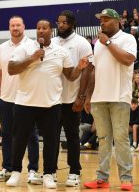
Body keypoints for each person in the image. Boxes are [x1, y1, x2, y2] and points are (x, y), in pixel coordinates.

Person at [5, 19, 88, 188]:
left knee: (51, 141)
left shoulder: (61, 51)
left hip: (51, 105)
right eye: (38, 28)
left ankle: (49, 174)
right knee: (19, 139)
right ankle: (15, 172)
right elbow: (11, 69)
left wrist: (79, 67)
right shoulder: (25, 48)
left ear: (51, 30)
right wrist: (32, 58)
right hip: (25, 103)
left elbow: (70, 76)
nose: (41, 31)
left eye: (44, 28)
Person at [83, 8, 136, 191]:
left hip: (119, 96)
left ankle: (126, 179)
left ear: (117, 21)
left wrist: (108, 43)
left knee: (121, 139)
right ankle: (102, 179)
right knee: (103, 139)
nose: (102, 23)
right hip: (99, 97)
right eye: (101, 20)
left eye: (106, 20)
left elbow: (128, 60)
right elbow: (94, 71)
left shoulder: (127, 38)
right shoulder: (98, 43)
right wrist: (89, 96)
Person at [0, 16, 41, 184]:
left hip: (27, 99)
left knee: (31, 136)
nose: (15, 28)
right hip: (5, 99)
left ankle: (33, 170)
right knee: (6, 135)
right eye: (12, 25)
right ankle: (7, 168)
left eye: (18, 25)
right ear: (9, 28)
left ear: (24, 27)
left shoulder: (33, 46)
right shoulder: (1, 48)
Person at [52, 10, 93, 187]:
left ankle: (75, 171)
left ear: (72, 24)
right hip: (52, 100)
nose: (60, 25)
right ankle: (50, 171)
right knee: (51, 137)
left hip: (71, 99)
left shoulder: (82, 43)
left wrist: (81, 97)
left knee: (72, 138)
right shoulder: (52, 42)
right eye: (59, 22)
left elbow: (87, 71)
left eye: (64, 23)